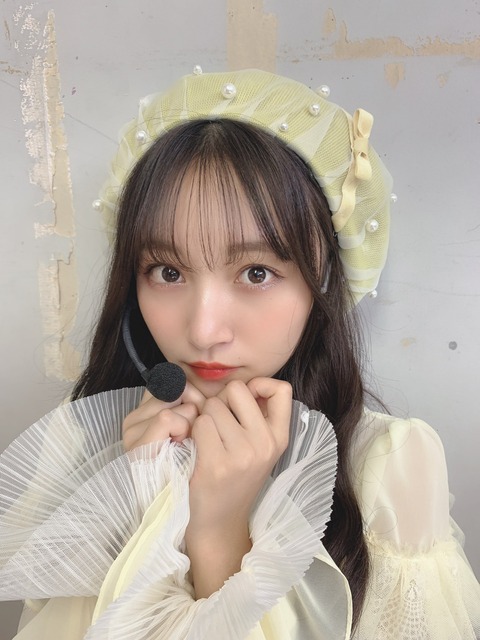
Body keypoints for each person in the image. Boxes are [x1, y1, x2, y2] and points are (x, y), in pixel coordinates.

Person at [1, 68, 479, 639]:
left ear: (323, 280)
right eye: (168, 271)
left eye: (256, 272)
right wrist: (138, 493)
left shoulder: (388, 466)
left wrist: (218, 534)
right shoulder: (81, 442)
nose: (204, 331)